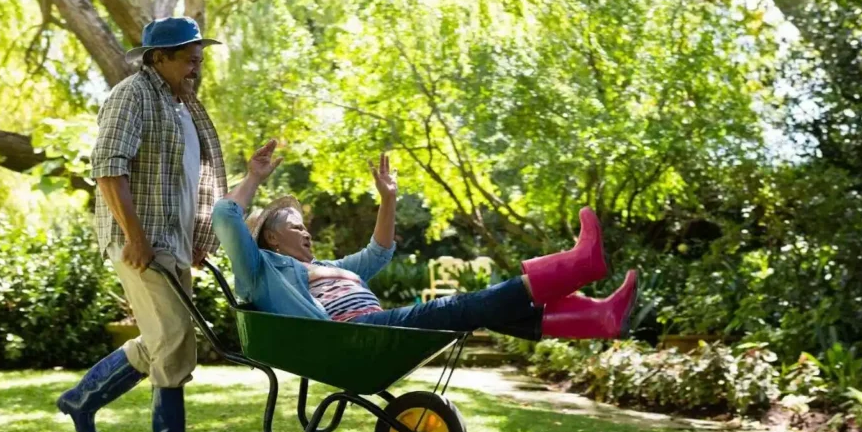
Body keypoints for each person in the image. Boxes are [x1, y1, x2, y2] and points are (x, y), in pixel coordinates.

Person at [211, 141, 638, 341]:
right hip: (349, 337)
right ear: (271, 238)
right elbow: (226, 215)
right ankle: (579, 265)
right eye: (295, 226)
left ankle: (598, 319)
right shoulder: (261, 272)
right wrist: (254, 178)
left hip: (373, 328)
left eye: (305, 226)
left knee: (489, 312)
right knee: (461, 305)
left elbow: (378, 252)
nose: (307, 232)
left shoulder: (329, 268)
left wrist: (388, 200)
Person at [55, 17, 227, 432]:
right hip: (142, 239)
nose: (196, 66)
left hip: (172, 238)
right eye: (189, 58)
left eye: (199, 58)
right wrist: (136, 238)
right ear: (159, 58)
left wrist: (197, 235)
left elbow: (189, 181)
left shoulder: (181, 106)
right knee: (173, 337)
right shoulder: (131, 95)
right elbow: (108, 168)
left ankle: (82, 399)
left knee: (163, 338)